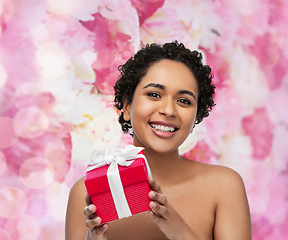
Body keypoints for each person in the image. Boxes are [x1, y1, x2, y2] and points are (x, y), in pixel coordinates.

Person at [65, 41, 252, 240]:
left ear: (196, 116)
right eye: (154, 94)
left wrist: (179, 230)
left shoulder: (223, 187)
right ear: (127, 106)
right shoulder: (86, 193)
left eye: (184, 101)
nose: (169, 110)